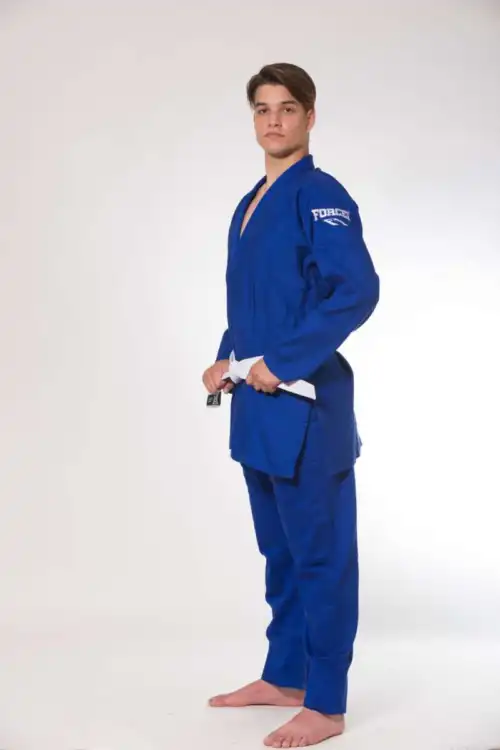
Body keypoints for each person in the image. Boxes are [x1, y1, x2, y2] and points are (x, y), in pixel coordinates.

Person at [202, 62, 380, 748]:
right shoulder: (249, 204)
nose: (273, 120)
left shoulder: (320, 194)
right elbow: (257, 304)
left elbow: (355, 290)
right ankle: (286, 676)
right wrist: (227, 359)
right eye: (262, 108)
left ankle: (326, 703)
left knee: (321, 558)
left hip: (306, 406)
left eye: (286, 108)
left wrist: (285, 362)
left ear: (309, 117)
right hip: (257, 405)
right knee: (279, 552)